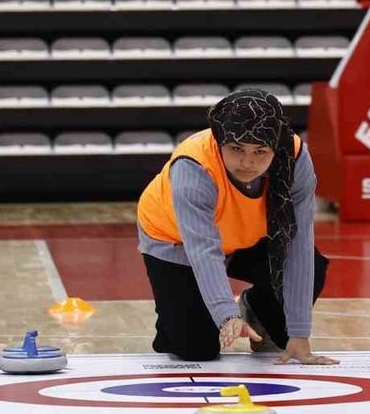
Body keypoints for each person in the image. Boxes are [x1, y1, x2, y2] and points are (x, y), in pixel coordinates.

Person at [137, 89, 336, 365]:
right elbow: (203, 250)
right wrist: (226, 314)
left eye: (260, 152)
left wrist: (300, 333)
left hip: (246, 237)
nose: (248, 162)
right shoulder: (193, 167)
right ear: (219, 142)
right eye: (237, 149)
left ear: (275, 147)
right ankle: (174, 319)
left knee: (294, 310)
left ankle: (255, 307)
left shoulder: (295, 159)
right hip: (175, 241)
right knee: (196, 348)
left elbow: (297, 243)